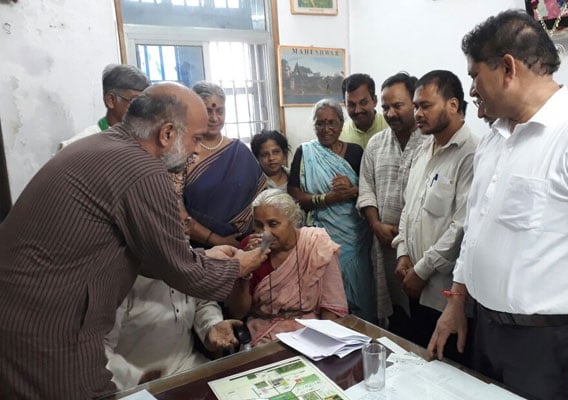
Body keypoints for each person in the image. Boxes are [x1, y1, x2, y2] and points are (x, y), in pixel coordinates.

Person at [428, 10, 568, 400]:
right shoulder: (495, 139)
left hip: (553, 345)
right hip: (488, 332)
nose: (473, 90)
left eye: (475, 76)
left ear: (508, 69)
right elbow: (475, 230)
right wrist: (457, 302)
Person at [0, 82, 268, 399]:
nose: (197, 150)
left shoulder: (102, 144)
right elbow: (180, 270)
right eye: (195, 138)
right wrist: (239, 265)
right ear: (167, 133)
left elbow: (158, 260)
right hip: (51, 328)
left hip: (26, 317)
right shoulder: (142, 168)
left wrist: (208, 258)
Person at [391, 70, 477, 354]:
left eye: (425, 106)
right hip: (413, 285)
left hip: (445, 296)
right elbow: (409, 208)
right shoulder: (422, 149)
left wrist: (422, 270)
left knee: (447, 370)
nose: (418, 113)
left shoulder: (471, 153)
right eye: (415, 106)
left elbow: (461, 227)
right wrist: (403, 252)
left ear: (453, 105)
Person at [287, 98, 376, 322]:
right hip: (322, 236)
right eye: (320, 123)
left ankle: (365, 335)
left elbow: (370, 189)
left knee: (361, 289)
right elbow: (295, 195)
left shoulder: (356, 152)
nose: (326, 129)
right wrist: (327, 198)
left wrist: (352, 189)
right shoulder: (305, 152)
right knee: (328, 296)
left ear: (341, 124)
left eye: (332, 123)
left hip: (355, 236)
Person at [227, 189, 349, 345]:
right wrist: (245, 269)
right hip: (263, 333)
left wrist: (325, 343)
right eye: (258, 225)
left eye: (273, 224)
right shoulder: (248, 249)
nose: (265, 233)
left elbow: (332, 306)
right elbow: (237, 312)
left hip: (311, 331)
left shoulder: (317, 245)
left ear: (294, 220)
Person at [357, 72, 424, 329]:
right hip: (384, 245)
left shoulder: (430, 142)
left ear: (414, 102)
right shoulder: (376, 144)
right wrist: (375, 224)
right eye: (385, 107)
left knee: (422, 315)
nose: (391, 113)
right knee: (395, 316)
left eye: (398, 105)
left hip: (418, 250)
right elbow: (366, 189)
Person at [104, 276, 242, 390]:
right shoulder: (117, 279)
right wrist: (134, 378)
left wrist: (211, 325)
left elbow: (203, 302)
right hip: (133, 385)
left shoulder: (186, 262)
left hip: (191, 367)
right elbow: (96, 349)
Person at [182, 81, 266, 248]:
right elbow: (176, 212)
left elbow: (262, 196)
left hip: (246, 244)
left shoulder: (239, 151)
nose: (214, 118)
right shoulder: (182, 154)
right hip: (199, 249)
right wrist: (217, 241)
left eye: (220, 111)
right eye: (208, 111)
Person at [58, 64, 151, 150]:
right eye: (135, 101)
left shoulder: (149, 140)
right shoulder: (77, 147)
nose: (143, 109)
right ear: (110, 100)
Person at [340, 73, 389, 149]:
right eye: (352, 105)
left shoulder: (390, 128)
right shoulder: (340, 136)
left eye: (363, 103)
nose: (357, 110)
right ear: (345, 105)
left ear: (374, 100)